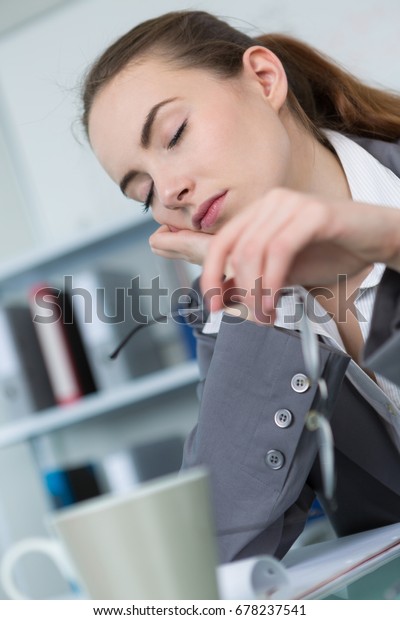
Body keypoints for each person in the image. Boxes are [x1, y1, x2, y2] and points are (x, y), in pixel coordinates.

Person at [81, 10, 400, 563]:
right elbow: (216, 559)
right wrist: (258, 318)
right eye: (143, 191)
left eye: (174, 134)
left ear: (263, 78)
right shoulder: (234, 321)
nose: (171, 190)